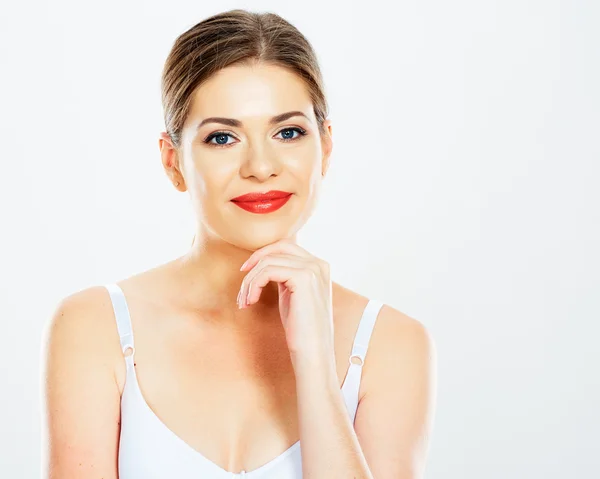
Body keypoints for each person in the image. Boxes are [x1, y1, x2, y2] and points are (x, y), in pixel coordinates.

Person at [41, 8, 436, 479]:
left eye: (288, 132)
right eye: (223, 137)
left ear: (325, 147)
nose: (261, 166)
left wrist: (314, 363)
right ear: (173, 162)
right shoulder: (94, 327)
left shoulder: (391, 344)